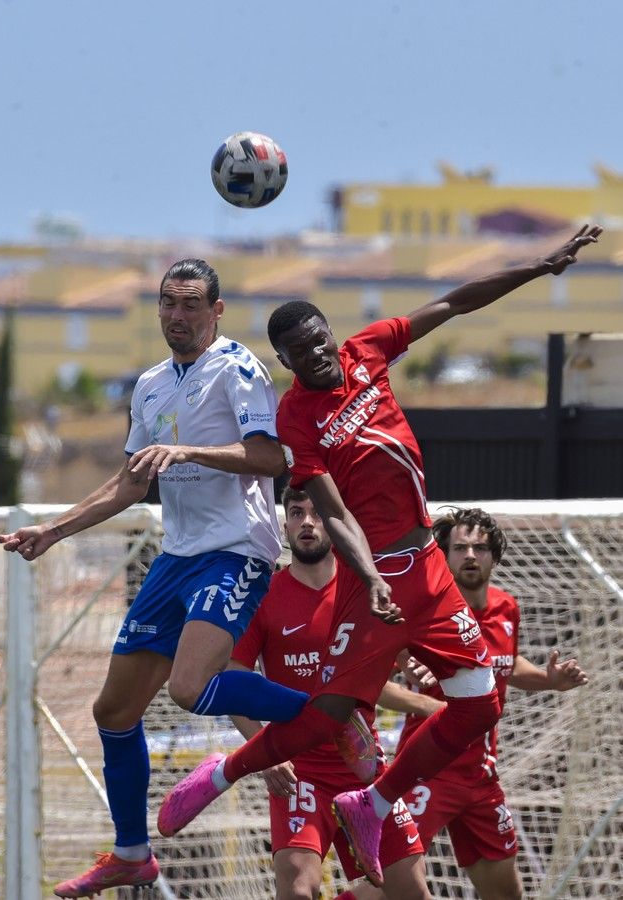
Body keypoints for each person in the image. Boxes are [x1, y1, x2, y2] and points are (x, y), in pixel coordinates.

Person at [156, 227, 602, 887]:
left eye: (319, 340)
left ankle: (376, 799)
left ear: (332, 333)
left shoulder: (367, 349)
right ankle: (222, 772)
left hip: (427, 565)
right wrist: (368, 576)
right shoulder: (296, 419)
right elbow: (333, 511)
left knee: (480, 708)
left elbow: (452, 304)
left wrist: (539, 266)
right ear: (285, 360)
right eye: (299, 352)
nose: (317, 354)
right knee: (329, 715)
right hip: (384, 577)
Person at [0, 258, 315, 897]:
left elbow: (272, 457)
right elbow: (129, 482)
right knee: (112, 710)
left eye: (190, 304)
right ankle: (132, 854)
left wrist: (188, 451)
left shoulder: (238, 367)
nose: (176, 315)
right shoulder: (148, 385)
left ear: (216, 310)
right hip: (177, 556)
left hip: (235, 550)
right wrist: (53, 532)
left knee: (191, 686)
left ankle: (333, 713)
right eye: (168, 304)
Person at [346, 507, 588, 900]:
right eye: (460, 547)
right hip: (427, 771)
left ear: (495, 555)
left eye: (480, 547)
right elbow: (366, 683)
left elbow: (503, 665)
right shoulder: (423, 614)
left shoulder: (507, 607)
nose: (471, 555)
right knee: (389, 887)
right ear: (443, 555)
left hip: (482, 777)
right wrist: (428, 707)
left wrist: (548, 680)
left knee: (507, 893)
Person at [228, 486, 438, 900]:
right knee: (298, 889)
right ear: (284, 524)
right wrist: (261, 750)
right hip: (298, 771)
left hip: (363, 771)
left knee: (409, 893)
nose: (307, 522)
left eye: (317, 513)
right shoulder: (263, 594)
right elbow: (234, 676)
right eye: (296, 513)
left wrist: (421, 669)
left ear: (338, 524)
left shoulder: (368, 589)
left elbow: (394, 662)